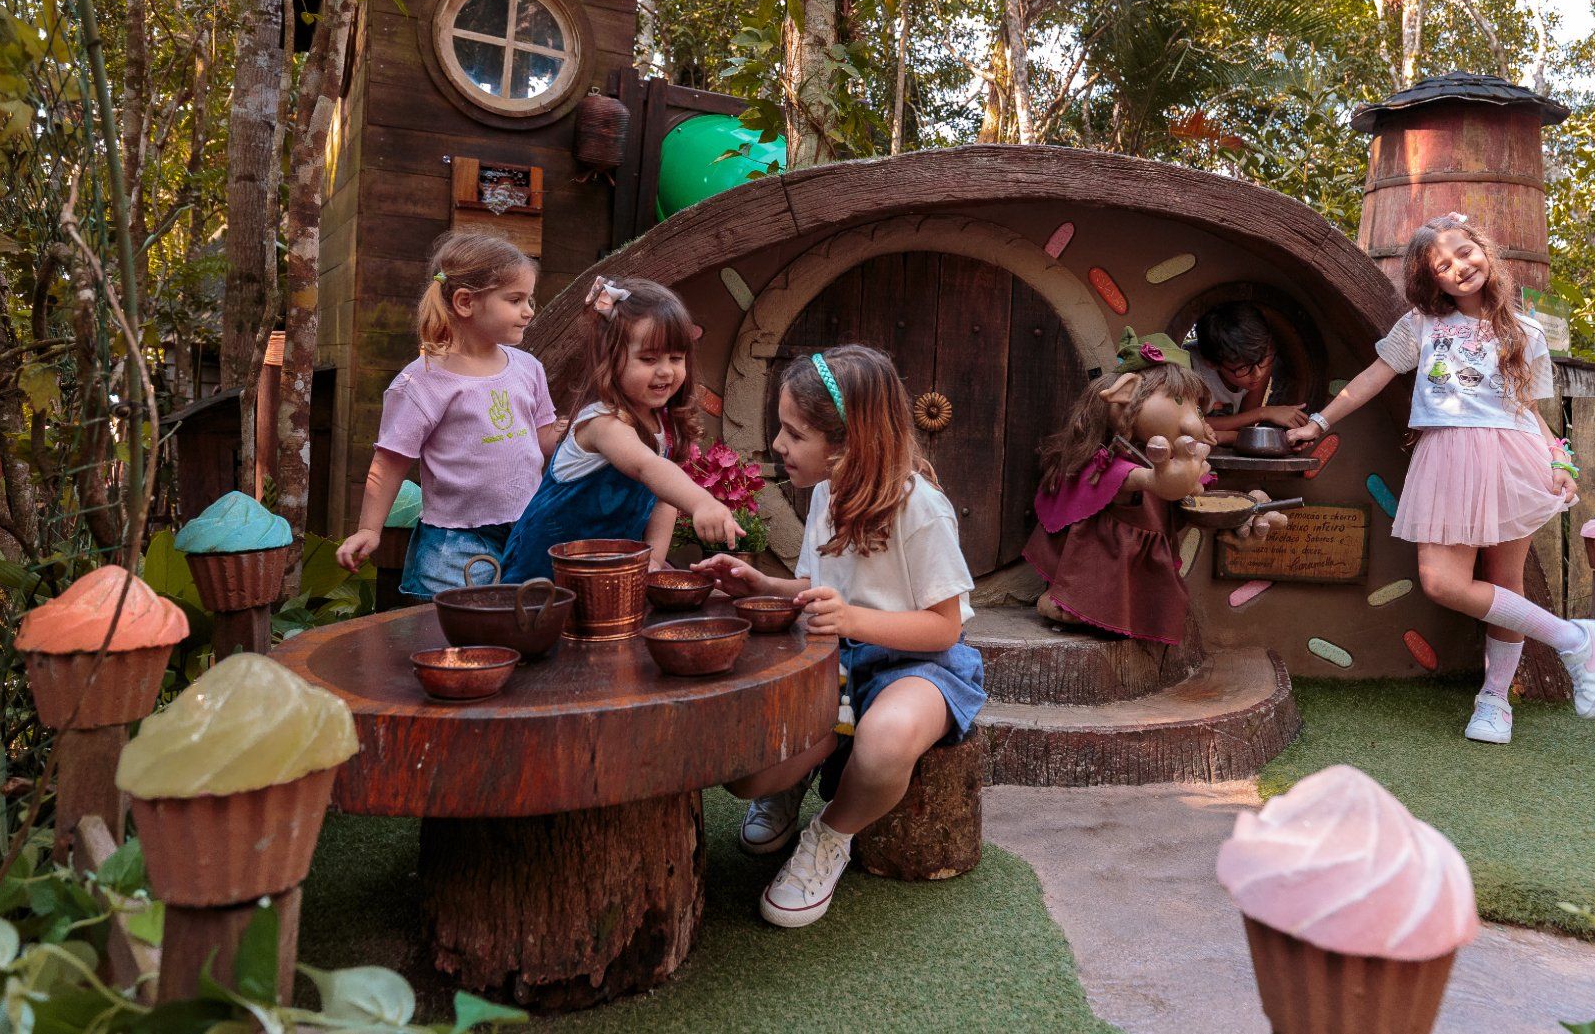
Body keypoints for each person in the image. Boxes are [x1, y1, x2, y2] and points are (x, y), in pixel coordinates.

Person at [693, 345, 983, 929]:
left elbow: (944, 626)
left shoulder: (920, 510)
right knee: (747, 774)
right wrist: (760, 585)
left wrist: (851, 621)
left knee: (885, 740)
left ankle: (831, 833)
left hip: (918, 664)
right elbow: (815, 585)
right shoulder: (827, 492)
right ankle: (793, 779)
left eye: (794, 434)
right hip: (838, 660)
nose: (778, 445)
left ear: (848, 444)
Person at [1285, 212, 1595, 744]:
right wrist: (1320, 421)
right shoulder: (1421, 327)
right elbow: (1371, 378)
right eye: (1442, 265)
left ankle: (1495, 701)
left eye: (1465, 252)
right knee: (1442, 583)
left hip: (1512, 456)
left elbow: (1529, 409)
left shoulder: (1525, 331)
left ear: (1484, 250)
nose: (1459, 267)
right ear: (1430, 280)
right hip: (1445, 458)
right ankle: (1573, 638)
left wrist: (1560, 461)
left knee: (1506, 583)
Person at [336, 231, 559, 596]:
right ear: (465, 302)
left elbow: (543, 440)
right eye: (515, 299)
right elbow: (390, 461)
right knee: (445, 636)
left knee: (521, 628)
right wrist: (368, 530)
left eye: (529, 299)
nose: (529, 311)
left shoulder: (528, 368)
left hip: (526, 531)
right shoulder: (421, 381)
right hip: (454, 542)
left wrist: (581, 428)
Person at [499, 276, 741, 581]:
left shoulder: (661, 426)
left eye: (676, 358)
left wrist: (653, 559)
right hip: (539, 579)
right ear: (611, 359)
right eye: (649, 358)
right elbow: (646, 467)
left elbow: (663, 498)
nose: (665, 370)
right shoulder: (603, 423)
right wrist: (702, 502)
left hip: (601, 579)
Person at [1024, 330, 1215, 644]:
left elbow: (1193, 490)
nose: (1193, 421)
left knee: (1142, 588)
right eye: (1179, 400)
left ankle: (1133, 614)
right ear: (1128, 393)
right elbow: (1156, 482)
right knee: (1098, 576)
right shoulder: (1114, 462)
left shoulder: (1156, 453)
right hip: (1105, 554)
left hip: (1142, 549)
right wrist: (1173, 477)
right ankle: (1070, 603)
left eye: (1196, 408)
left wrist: (1243, 508)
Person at [1191, 301, 1308, 442]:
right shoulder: (1192, 369)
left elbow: (1245, 427)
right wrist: (1264, 413)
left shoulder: (1258, 359)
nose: (1258, 374)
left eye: (1262, 361)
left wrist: (1226, 436)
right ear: (1212, 363)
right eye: (1243, 368)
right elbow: (1191, 423)